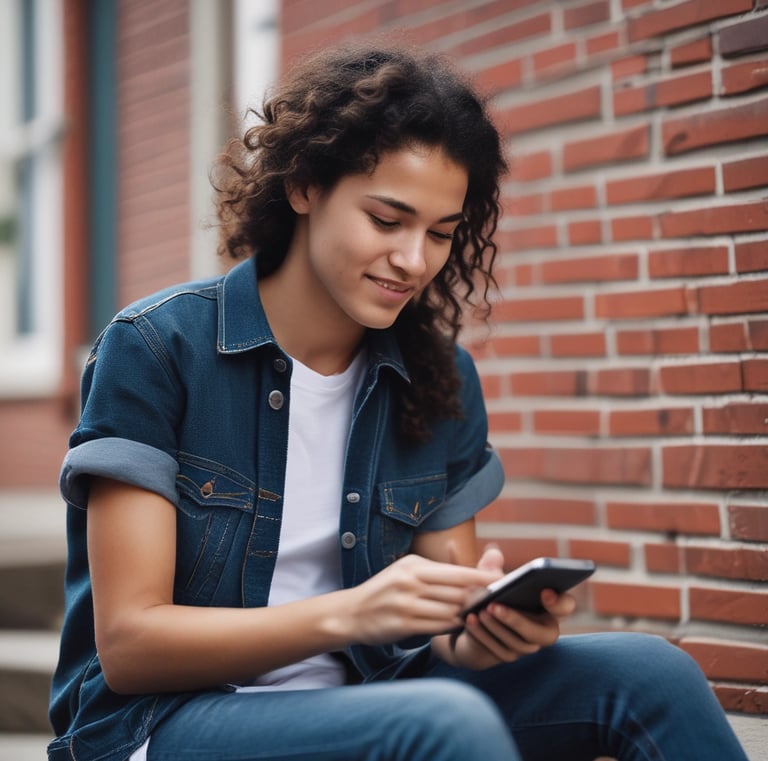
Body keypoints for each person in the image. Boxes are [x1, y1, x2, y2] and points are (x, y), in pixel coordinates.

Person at [48, 42, 749, 761]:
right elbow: (130, 644)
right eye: (388, 220)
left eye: (441, 233)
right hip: (166, 723)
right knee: (442, 722)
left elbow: (439, 632)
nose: (414, 260)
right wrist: (351, 614)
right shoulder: (159, 347)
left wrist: (478, 634)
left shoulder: (439, 378)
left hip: (380, 695)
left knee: (651, 673)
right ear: (305, 186)